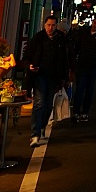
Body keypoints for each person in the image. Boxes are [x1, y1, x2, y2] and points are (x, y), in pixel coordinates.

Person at [24, 15, 67, 146]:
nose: (50, 28)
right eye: (48, 25)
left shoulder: (60, 39)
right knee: (39, 102)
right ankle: (35, 134)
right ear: (44, 24)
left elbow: (64, 59)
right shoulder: (38, 38)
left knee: (48, 104)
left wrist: (64, 77)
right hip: (39, 75)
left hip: (54, 76)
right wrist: (30, 66)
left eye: (53, 25)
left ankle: (42, 126)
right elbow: (27, 56)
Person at [67, 16, 96, 123]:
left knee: (89, 90)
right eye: (94, 23)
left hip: (93, 66)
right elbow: (77, 47)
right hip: (82, 64)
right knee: (80, 88)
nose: (95, 25)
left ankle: (85, 112)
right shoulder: (84, 32)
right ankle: (76, 112)